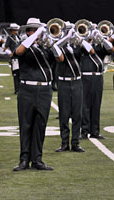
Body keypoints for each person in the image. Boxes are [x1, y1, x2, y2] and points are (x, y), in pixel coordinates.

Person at [13, 18, 64, 171]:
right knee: (25, 125)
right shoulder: (25, 45)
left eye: (36, 29)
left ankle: (37, 160)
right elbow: (18, 52)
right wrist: (35, 36)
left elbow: (60, 58)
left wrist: (51, 41)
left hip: (44, 91)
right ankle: (24, 160)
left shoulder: (47, 46)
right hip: (27, 90)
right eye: (31, 30)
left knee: (40, 125)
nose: (34, 32)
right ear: (28, 31)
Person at [54, 22, 94, 153]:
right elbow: (55, 50)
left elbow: (91, 50)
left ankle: (75, 143)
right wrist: (65, 39)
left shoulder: (78, 45)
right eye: (67, 30)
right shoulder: (58, 44)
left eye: (72, 30)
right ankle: (64, 143)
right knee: (64, 115)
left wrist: (80, 39)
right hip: (63, 83)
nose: (70, 32)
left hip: (77, 82)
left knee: (78, 114)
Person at [80, 28, 114, 139]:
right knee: (84, 105)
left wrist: (102, 38)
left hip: (98, 78)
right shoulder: (81, 45)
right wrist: (83, 38)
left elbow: (111, 49)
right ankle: (84, 131)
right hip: (85, 77)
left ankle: (95, 131)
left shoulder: (100, 46)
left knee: (96, 104)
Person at [4, 23, 21, 94]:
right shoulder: (9, 37)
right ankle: (17, 89)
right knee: (16, 74)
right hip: (14, 58)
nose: (16, 31)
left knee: (21, 74)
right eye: (15, 30)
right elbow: (5, 48)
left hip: (20, 58)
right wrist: (9, 53)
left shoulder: (19, 37)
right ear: (12, 30)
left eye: (17, 29)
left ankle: (21, 88)